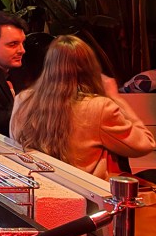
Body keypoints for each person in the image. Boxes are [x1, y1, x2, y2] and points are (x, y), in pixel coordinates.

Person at [10, 36, 155, 179]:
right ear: (90, 67)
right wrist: (116, 98)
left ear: (49, 65)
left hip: (43, 188)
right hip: (91, 197)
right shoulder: (100, 107)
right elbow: (145, 144)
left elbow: (16, 143)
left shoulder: (23, 100)